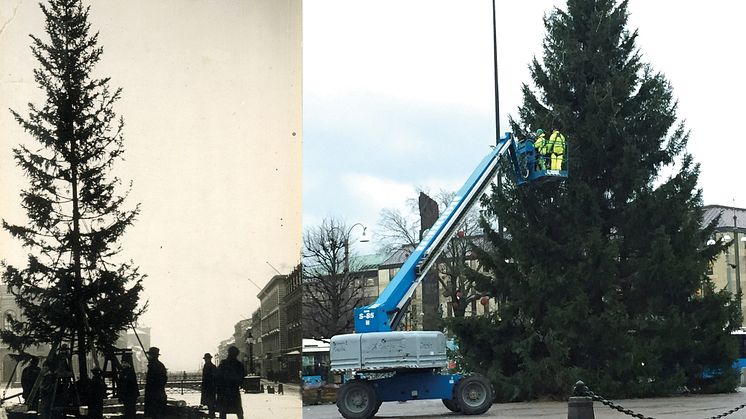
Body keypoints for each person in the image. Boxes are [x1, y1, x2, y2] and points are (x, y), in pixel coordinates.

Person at [216, 346, 245, 419]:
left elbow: (217, 377)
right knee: (238, 411)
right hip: (234, 391)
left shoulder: (223, 363)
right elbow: (242, 379)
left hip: (223, 391)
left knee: (223, 412)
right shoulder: (239, 365)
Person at [144, 347, 168, 418]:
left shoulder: (154, 366)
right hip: (158, 394)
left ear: (152, 356)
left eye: (150, 355)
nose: (148, 356)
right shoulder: (159, 365)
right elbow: (164, 379)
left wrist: (154, 388)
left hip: (154, 395)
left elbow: (158, 380)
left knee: (154, 414)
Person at [117, 354, 139, 419]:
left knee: (130, 411)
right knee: (127, 411)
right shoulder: (123, 372)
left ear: (128, 364)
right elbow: (120, 385)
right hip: (125, 396)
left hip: (130, 396)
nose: (123, 364)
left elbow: (132, 385)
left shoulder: (130, 372)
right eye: (122, 362)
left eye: (125, 363)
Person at [201, 353, 218, 417]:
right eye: (205, 359)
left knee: (211, 402)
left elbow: (215, 377)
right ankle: (211, 413)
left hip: (210, 387)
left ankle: (212, 414)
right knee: (209, 402)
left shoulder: (211, 366)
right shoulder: (207, 366)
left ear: (209, 359)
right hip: (208, 387)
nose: (205, 360)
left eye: (206, 359)